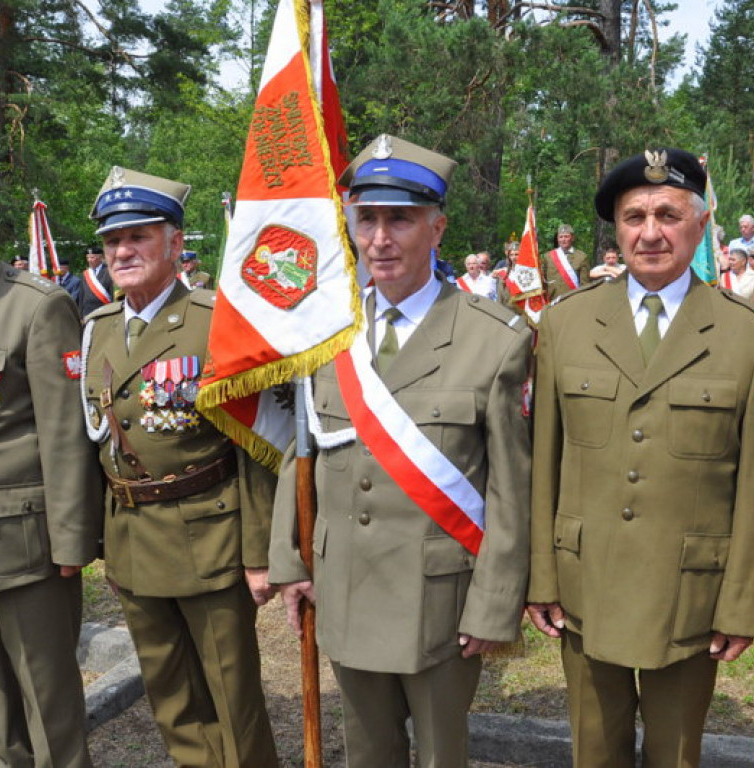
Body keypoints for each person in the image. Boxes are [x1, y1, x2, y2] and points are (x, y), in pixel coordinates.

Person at [268, 134, 532, 768]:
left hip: (437, 595)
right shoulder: (327, 331)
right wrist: (289, 559)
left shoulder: (493, 339)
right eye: (368, 219)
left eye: (401, 220)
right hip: (346, 583)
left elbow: (512, 489)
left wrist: (495, 604)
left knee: (442, 753)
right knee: (367, 752)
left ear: (437, 229)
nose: (380, 238)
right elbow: (301, 452)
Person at [528, 147, 754, 768]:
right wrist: (541, 576)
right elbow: (542, 462)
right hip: (586, 586)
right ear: (615, 230)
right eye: (633, 216)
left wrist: (744, 600)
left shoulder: (748, 336)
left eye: (667, 214)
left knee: (676, 755)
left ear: (700, 225)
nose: (649, 232)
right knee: (594, 750)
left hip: (689, 595)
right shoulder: (565, 326)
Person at [81, 166, 278, 768]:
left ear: (174, 242)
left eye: (138, 236)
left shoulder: (214, 321)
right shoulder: (98, 330)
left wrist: (261, 552)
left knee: (232, 691)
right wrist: (103, 543)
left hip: (208, 536)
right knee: (169, 694)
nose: (123, 251)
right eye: (114, 240)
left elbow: (255, 444)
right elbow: (95, 443)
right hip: (132, 538)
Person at [0, 152, 102, 767]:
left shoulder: (34, 305)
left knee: (51, 709)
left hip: (23, 547)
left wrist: (72, 545)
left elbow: (65, 435)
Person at [541, 223, 590, 300]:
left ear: (572, 238)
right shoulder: (548, 257)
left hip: (573, 300)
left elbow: (584, 285)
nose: (563, 240)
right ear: (557, 239)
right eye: (561, 237)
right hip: (552, 300)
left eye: (566, 236)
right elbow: (542, 280)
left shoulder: (582, 257)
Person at [79, 243, 114, 317]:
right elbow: (81, 296)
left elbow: (112, 294)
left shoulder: (109, 272)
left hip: (104, 311)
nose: (89, 260)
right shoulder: (85, 274)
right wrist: (80, 314)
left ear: (100, 257)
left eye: (92, 258)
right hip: (87, 312)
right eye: (87, 258)